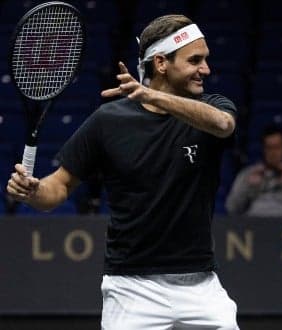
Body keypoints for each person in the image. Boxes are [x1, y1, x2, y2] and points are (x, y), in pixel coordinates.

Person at [6, 15, 239, 330]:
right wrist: (33, 191)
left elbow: (223, 125)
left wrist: (152, 96)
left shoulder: (211, 107)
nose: (206, 69)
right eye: (195, 60)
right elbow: (57, 189)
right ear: (161, 63)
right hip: (131, 289)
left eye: (205, 60)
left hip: (201, 286)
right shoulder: (108, 121)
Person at [225, 125, 282, 217]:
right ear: (263, 149)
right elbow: (231, 209)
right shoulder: (247, 174)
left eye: (277, 147)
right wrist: (249, 187)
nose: (273, 153)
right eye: (269, 147)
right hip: (253, 227)